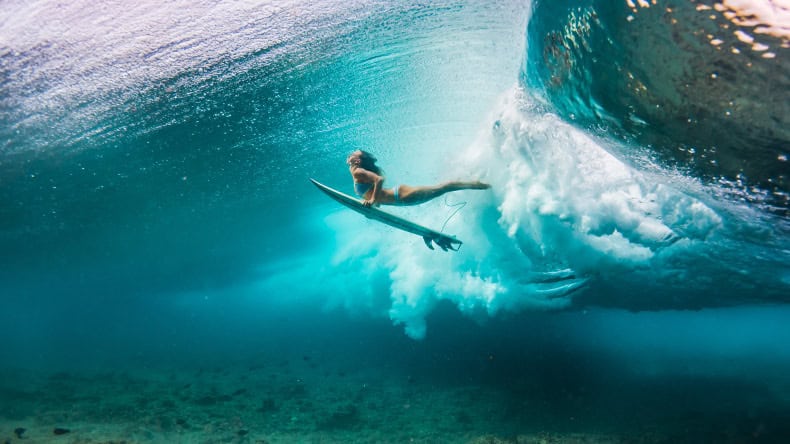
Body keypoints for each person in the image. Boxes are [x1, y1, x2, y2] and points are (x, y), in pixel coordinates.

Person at [346, 150, 490, 207]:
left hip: (403, 196)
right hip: (400, 194)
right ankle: (467, 178)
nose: (351, 154)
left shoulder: (358, 172)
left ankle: (480, 184)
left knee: (446, 187)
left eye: (354, 154)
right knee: (443, 187)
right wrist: (374, 202)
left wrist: (373, 201)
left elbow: (379, 180)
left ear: (357, 161)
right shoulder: (355, 170)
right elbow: (375, 192)